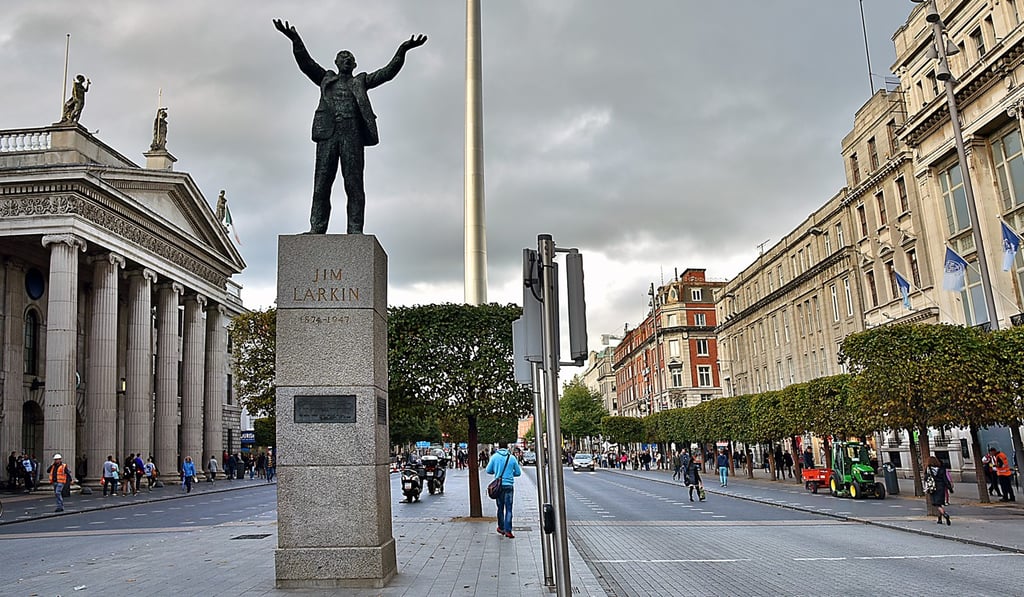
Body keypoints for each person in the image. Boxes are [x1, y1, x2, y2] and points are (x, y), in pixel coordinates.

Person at [273, 19, 427, 234]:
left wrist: (403, 50)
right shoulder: (326, 78)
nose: (347, 60)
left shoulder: (361, 81)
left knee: (353, 185)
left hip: (352, 136)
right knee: (321, 184)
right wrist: (294, 39)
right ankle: (317, 227)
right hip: (328, 134)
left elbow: (387, 72)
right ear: (336, 62)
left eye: (350, 58)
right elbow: (305, 63)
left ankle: (355, 229)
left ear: (354, 65)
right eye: (343, 57)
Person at [485, 441, 522, 539]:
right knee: (509, 509)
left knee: (500, 508)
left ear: (498, 447)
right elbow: (518, 473)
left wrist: (497, 472)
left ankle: (501, 527)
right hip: (509, 485)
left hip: (499, 486)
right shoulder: (512, 458)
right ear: (507, 447)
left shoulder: (494, 457)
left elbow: (488, 470)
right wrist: (510, 474)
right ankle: (508, 530)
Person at [925, 456, 951, 525]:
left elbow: (926, 478)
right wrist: (949, 487)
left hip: (933, 488)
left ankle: (945, 515)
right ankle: (939, 519)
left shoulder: (929, 469)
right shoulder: (941, 469)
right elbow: (945, 479)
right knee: (940, 503)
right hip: (941, 488)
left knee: (937, 504)